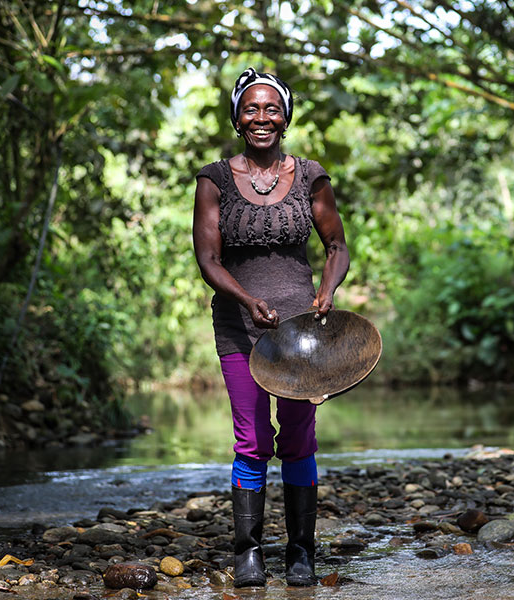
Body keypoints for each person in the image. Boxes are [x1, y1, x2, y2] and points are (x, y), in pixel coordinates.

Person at [192, 67, 349, 587]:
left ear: (285, 117)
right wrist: (246, 298)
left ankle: (301, 552)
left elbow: (336, 248)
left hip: (301, 332)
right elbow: (208, 260)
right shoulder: (213, 180)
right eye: (252, 109)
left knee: (299, 435)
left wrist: (327, 291)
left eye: (272, 108)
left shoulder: (309, 176)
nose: (262, 117)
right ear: (238, 118)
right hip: (240, 326)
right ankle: (249, 553)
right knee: (252, 437)